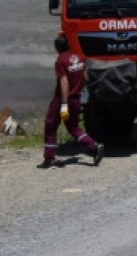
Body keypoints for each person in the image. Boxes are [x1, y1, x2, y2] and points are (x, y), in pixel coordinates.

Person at [40, 36, 103, 169]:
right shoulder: (79, 58)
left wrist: (63, 104)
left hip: (62, 100)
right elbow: (85, 77)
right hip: (76, 98)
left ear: (57, 48)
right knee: (73, 127)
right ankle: (94, 147)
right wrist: (79, 90)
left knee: (50, 126)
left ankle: (49, 158)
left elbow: (64, 82)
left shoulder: (60, 61)